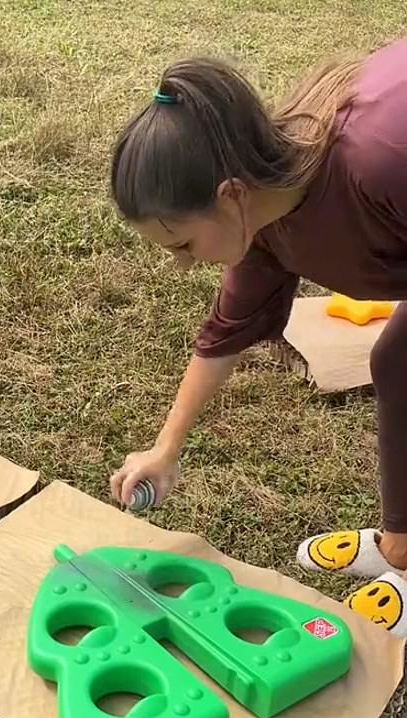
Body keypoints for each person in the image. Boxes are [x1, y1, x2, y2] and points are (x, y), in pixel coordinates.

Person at [109, 37, 407, 638]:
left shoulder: (379, 166)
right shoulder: (266, 222)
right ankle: (401, 547)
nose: (181, 265)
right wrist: (165, 451)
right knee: (397, 361)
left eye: (181, 245)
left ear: (230, 197)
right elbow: (224, 335)